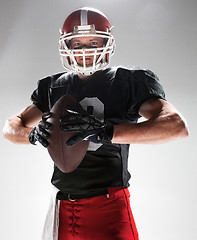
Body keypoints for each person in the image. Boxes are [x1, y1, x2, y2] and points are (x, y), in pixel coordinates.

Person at [3, 7, 189, 240]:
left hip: (109, 205)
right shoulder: (53, 86)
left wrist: (107, 132)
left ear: (107, 43)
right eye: (78, 44)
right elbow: (11, 126)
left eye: (93, 42)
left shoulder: (127, 81)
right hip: (61, 206)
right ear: (66, 46)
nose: (85, 51)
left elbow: (175, 126)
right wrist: (31, 135)